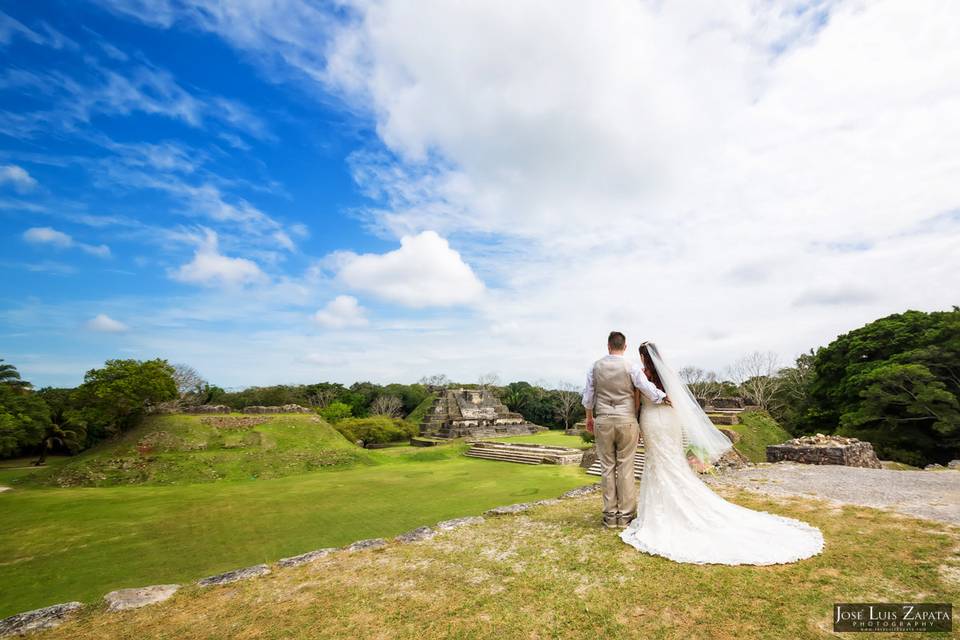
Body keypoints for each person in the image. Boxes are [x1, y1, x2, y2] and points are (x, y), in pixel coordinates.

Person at [619, 341, 824, 564]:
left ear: (643, 357)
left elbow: (637, 404)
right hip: (670, 421)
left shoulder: (641, 375)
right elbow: (679, 403)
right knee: (673, 462)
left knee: (658, 463)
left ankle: (661, 514)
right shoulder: (668, 375)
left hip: (651, 420)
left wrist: (637, 422)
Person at [582, 331, 670, 529]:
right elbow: (645, 387)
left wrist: (589, 418)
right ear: (625, 346)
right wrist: (662, 396)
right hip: (626, 421)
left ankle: (610, 516)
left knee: (607, 468)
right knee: (625, 467)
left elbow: (588, 396)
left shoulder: (595, 367)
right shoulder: (630, 366)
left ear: (608, 346)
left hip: (603, 420)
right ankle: (625, 516)